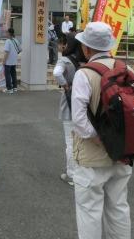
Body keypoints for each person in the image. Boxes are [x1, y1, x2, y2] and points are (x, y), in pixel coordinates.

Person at [71, 22, 133, 239]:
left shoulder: (84, 74)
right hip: (123, 152)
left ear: (87, 49)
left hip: (92, 157)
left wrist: (98, 138)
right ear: (109, 45)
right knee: (118, 207)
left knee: (89, 210)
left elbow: (78, 118)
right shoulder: (126, 69)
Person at [52, 32, 86, 186]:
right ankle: (81, 171)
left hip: (69, 104)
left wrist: (65, 84)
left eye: (61, 43)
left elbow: (57, 73)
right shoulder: (83, 60)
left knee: (70, 141)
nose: (59, 45)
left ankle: (71, 174)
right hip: (83, 105)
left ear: (67, 45)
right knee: (82, 141)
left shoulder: (65, 61)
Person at [3, 28, 21, 94]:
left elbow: (6, 52)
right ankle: (15, 87)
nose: (5, 33)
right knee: (13, 74)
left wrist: (4, 61)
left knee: (7, 75)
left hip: (8, 61)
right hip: (14, 61)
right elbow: (20, 49)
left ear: (9, 33)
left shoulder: (8, 41)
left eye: (6, 32)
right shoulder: (16, 40)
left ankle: (9, 89)